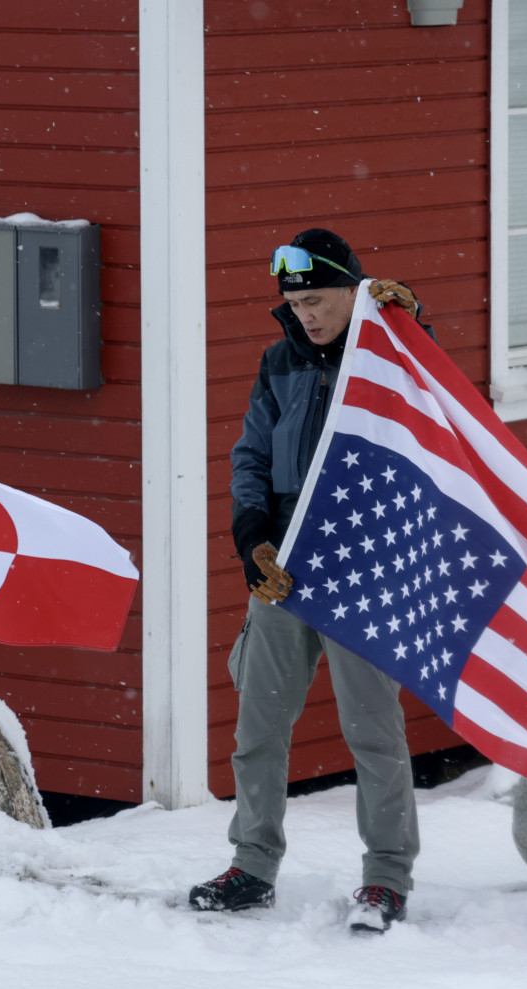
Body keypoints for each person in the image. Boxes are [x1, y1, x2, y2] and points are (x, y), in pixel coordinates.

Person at [188, 228, 425, 934]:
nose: (306, 315)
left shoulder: (385, 350)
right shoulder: (278, 362)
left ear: (354, 292)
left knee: (372, 733)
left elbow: (429, 389)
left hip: (362, 561)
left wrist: (408, 320)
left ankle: (386, 879)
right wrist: (253, 537)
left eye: (318, 300)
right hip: (286, 561)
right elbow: (250, 455)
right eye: (295, 304)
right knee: (257, 728)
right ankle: (251, 867)